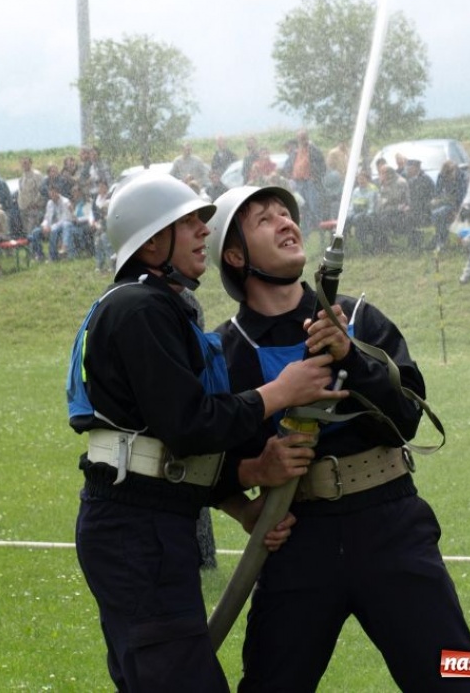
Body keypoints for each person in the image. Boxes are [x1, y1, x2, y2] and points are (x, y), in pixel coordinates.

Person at [207, 185, 470, 693]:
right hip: (297, 539)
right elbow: (201, 451)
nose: (286, 222)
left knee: (460, 680)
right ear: (234, 254)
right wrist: (247, 488)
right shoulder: (224, 349)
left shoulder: (359, 317)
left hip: (392, 525)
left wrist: (351, 357)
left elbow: (406, 419)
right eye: (264, 220)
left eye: (286, 214)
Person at [71, 170, 343, 692]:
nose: (203, 231)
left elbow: (170, 443)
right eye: (189, 222)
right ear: (152, 242)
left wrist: (241, 506)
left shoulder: (156, 305)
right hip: (137, 531)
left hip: (148, 525)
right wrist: (280, 393)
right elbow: (189, 425)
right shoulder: (139, 308)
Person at [283, 129, 327, 235]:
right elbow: (288, 166)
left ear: (307, 137)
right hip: (298, 183)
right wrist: (289, 178)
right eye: (299, 137)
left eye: (303, 137)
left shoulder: (313, 150)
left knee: (313, 205)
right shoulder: (295, 152)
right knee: (301, 206)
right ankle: (304, 228)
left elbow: (322, 166)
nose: (302, 139)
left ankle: (317, 227)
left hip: (310, 182)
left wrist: (315, 177)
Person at [29, 184, 74, 261]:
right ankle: (40, 255)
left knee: (54, 231)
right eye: (50, 193)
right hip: (50, 226)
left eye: (53, 193)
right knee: (35, 232)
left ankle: (52, 256)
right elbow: (47, 217)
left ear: (58, 193)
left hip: (61, 225)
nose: (52, 195)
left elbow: (65, 218)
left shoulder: (65, 202)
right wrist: (44, 225)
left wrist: (51, 227)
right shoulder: (49, 203)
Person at [431, 159, 467, 250]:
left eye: (450, 174)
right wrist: (436, 199)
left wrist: (457, 210)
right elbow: (437, 192)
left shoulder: (461, 177)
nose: (448, 177)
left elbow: (462, 196)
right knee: (437, 214)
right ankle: (441, 238)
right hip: (446, 203)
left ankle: (441, 239)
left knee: (439, 214)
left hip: (458, 204)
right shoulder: (441, 176)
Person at [404, 158, 436, 250]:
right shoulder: (411, 180)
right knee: (406, 217)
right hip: (414, 208)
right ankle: (412, 243)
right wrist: (407, 206)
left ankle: (418, 243)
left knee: (416, 217)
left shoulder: (425, 179)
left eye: (409, 168)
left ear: (415, 168)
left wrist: (414, 207)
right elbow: (410, 198)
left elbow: (428, 197)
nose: (408, 170)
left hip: (425, 209)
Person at [347, 170, 379, 253]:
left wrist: (368, 214)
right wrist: (349, 214)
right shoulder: (356, 190)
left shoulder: (372, 189)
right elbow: (351, 204)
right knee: (346, 219)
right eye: (359, 179)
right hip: (356, 212)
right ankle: (343, 243)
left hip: (368, 213)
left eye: (362, 179)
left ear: (367, 179)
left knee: (359, 219)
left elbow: (372, 205)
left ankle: (364, 245)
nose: (360, 181)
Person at [17, 157, 45, 234]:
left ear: (31, 163)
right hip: (23, 208)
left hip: (34, 208)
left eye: (26, 163)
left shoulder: (37, 175)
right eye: (22, 163)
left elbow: (41, 190)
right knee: (26, 230)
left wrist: (35, 202)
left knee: (32, 229)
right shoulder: (22, 177)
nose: (24, 165)